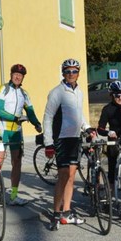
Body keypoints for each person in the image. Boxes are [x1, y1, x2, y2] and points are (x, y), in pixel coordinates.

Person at [43, 58, 95, 231]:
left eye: (74, 71)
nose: (71, 74)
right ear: (63, 73)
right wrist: (48, 143)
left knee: (71, 176)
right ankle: (56, 213)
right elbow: (48, 117)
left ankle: (66, 212)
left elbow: (78, 114)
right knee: (63, 176)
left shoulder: (79, 91)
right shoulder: (57, 92)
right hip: (61, 138)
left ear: (78, 73)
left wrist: (87, 127)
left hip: (75, 138)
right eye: (68, 71)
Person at [0, 63, 42, 206]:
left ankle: (14, 195)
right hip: (2, 130)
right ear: (11, 75)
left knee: (17, 162)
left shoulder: (24, 93)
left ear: (23, 78)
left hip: (17, 132)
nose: (17, 77)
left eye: (20, 75)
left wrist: (37, 124)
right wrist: (15, 118)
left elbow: (30, 111)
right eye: (15, 74)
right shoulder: (2, 89)